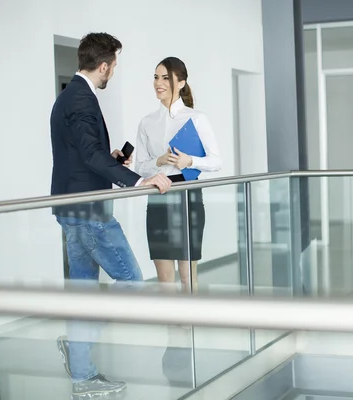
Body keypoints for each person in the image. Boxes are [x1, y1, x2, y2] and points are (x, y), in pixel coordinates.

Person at [50, 32, 172, 399]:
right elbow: (88, 155)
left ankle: (83, 377)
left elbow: (84, 155)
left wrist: (112, 160)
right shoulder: (83, 100)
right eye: (113, 67)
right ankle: (77, 345)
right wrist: (138, 179)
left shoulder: (67, 97)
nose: (113, 73)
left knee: (85, 292)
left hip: (72, 209)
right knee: (133, 281)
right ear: (103, 65)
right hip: (89, 212)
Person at [136, 57, 221, 293]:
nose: (158, 83)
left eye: (165, 78)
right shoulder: (146, 123)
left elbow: (217, 161)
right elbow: (140, 168)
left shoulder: (196, 118)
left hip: (187, 194)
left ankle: (190, 323)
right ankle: (173, 326)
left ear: (181, 82)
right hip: (158, 195)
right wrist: (159, 161)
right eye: (155, 77)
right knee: (164, 278)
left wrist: (189, 161)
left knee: (187, 276)